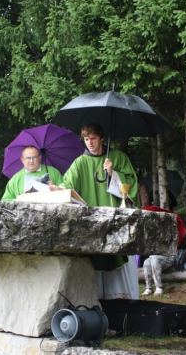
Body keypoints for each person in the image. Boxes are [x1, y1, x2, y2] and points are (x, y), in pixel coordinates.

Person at [50, 123, 139, 300]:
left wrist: (114, 173)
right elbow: (68, 186)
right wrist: (57, 188)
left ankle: (122, 305)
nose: (89, 143)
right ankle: (96, 303)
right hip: (91, 224)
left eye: (93, 138)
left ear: (102, 138)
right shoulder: (80, 162)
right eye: (86, 139)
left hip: (115, 221)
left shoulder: (117, 157)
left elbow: (131, 184)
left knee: (117, 256)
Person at [140, 205, 186, 296]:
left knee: (154, 259)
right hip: (155, 257)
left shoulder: (170, 231)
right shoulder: (151, 233)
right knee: (146, 262)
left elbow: (171, 249)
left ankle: (159, 287)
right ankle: (149, 287)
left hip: (171, 257)